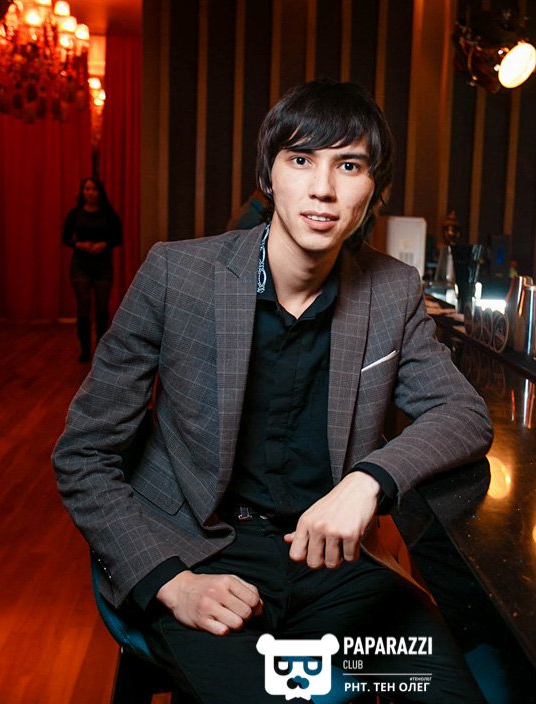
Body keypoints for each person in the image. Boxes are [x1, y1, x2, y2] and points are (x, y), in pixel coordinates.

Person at [53, 79, 493, 703]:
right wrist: (172, 583)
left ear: (374, 189)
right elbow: (83, 453)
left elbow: (463, 414)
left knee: (441, 692)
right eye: (301, 159)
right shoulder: (178, 274)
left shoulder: (390, 289)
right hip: (201, 560)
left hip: (331, 568)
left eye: (349, 165)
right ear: (269, 175)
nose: (324, 188)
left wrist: (367, 481)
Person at [62, 177, 122, 362]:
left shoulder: (109, 214)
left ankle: (102, 348)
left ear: (100, 192)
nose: (90, 193)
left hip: (103, 265)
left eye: (94, 189)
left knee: (102, 307)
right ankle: (85, 349)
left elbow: (118, 237)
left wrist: (104, 244)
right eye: (87, 189)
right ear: (82, 192)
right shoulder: (75, 214)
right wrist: (79, 244)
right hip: (81, 265)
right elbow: (65, 238)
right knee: (83, 306)